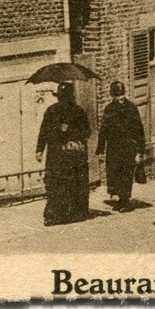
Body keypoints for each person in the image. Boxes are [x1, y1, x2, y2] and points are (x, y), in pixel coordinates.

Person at [36, 82, 91, 226]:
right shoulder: (51, 111)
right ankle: (53, 215)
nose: (62, 100)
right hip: (55, 155)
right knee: (54, 184)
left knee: (73, 184)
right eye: (60, 97)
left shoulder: (78, 112)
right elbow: (44, 131)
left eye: (65, 97)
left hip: (73, 156)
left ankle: (74, 213)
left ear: (70, 98)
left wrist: (71, 131)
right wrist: (39, 149)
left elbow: (87, 132)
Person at [95, 80, 146, 211]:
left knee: (126, 174)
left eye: (121, 94)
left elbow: (139, 130)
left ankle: (125, 201)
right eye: (117, 95)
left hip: (128, 147)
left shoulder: (131, 108)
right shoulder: (109, 109)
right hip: (113, 147)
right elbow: (104, 129)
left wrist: (140, 151)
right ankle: (120, 199)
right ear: (112, 96)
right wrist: (100, 149)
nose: (120, 98)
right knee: (114, 173)